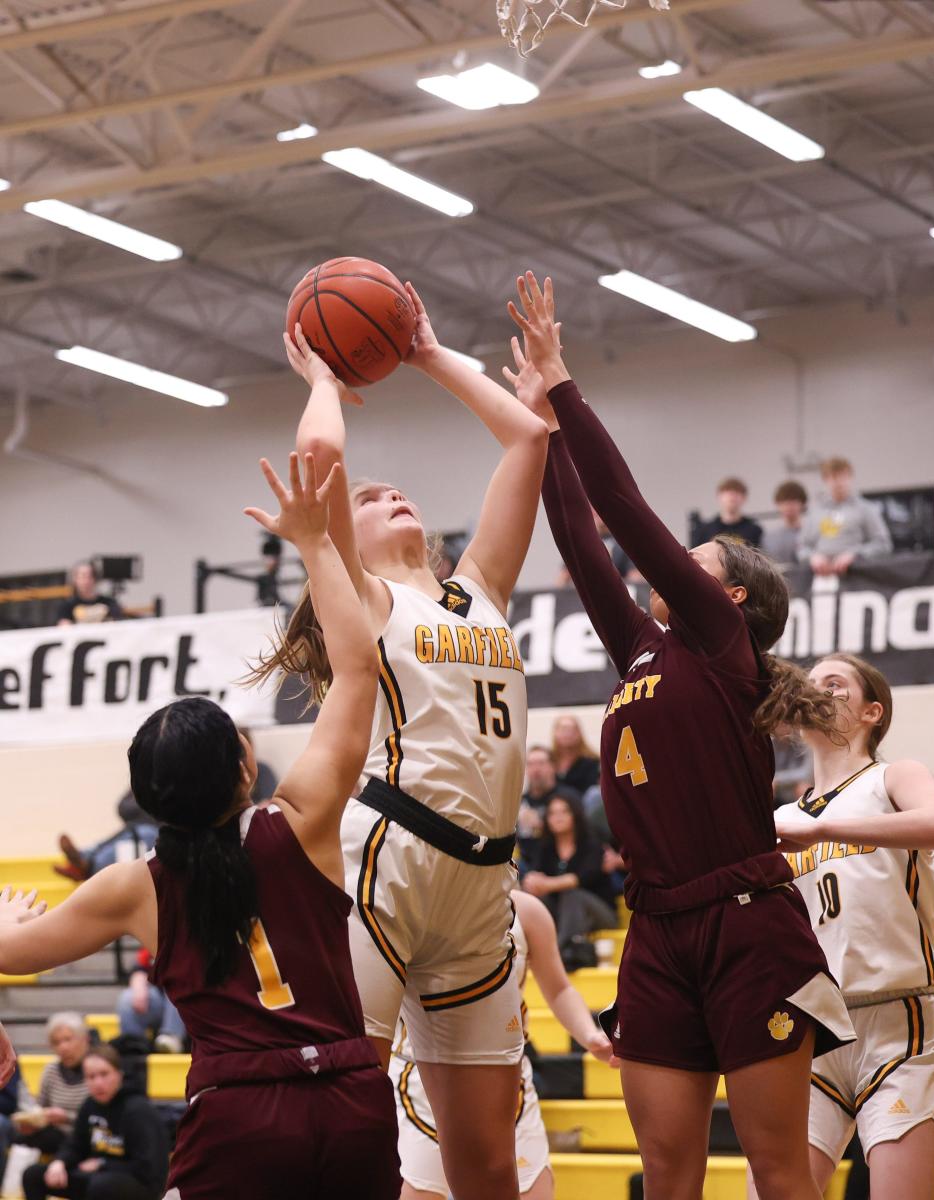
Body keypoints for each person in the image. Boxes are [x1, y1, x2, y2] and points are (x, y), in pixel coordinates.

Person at [504, 272, 855, 1200]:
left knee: (781, 1173)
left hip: (748, 926)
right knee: (667, 1176)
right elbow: (583, 539)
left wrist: (563, 381)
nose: (685, 552)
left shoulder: (721, 641)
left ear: (730, 593)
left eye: (702, 557)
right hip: (656, 928)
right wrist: (536, 431)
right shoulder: (646, 649)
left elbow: (624, 512)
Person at [0, 453, 401, 1200]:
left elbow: (11, 955)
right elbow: (357, 669)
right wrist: (314, 542)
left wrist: (5, 916)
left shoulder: (134, 888)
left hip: (240, 1116)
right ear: (246, 770)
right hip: (353, 1099)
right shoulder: (304, 819)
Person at [259, 284, 548, 1200]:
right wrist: (324, 373)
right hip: (389, 859)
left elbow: (529, 438)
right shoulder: (367, 596)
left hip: (483, 885)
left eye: (398, 489)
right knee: (340, 1124)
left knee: (486, 1166)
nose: (390, 495)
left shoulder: (479, 591)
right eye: (372, 497)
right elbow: (319, 455)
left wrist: (425, 352)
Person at [771, 653, 934, 1200]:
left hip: (900, 1020)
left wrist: (822, 826)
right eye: (812, 684)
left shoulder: (893, 777)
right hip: (814, 1030)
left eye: (835, 683)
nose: (819, 691)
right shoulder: (783, 817)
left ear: (872, 711)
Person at [389, 889, 615, 1200]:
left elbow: (560, 988)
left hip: (508, 1083)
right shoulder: (405, 903)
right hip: (419, 1083)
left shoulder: (528, 911)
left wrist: (589, 1035)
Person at [22, 1046, 168, 1200]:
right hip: (98, 1177)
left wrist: (103, 1164)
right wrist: (60, 1162)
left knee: (101, 1185)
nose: (98, 1082)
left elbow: (148, 1168)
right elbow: (76, 1145)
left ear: (119, 1074)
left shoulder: (138, 1109)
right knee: (34, 1175)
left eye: (104, 1074)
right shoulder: (89, 1105)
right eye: (91, 1077)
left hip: (140, 1184)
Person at [523, 794, 618, 966]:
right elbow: (534, 876)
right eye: (552, 813)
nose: (558, 817)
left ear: (575, 814)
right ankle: (524, 952)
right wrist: (532, 882)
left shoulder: (591, 845)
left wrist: (546, 884)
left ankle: (559, 954)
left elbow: (582, 878)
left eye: (564, 812)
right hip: (562, 915)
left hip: (601, 914)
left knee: (572, 895)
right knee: (532, 901)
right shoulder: (546, 847)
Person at [12, 1014, 90, 1160]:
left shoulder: (95, 1069)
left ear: (85, 1039)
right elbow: (39, 1108)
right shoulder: (51, 1070)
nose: (63, 1047)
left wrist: (66, 1117)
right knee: (19, 1136)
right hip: (55, 1133)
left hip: (86, 1133)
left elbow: (101, 1114)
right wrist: (32, 1122)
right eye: (56, 1042)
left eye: (68, 1039)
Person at [798, 458, 892, 575]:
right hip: (821, 578)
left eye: (842, 476)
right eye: (833, 477)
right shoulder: (814, 511)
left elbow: (883, 544)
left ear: (850, 477)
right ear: (825, 480)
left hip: (858, 576)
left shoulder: (866, 508)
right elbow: (802, 548)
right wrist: (813, 557)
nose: (838, 482)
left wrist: (854, 554)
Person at [56, 796, 158, 883]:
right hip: (144, 826)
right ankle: (83, 862)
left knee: (141, 835)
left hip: (154, 832)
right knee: (128, 835)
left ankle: (85, 865)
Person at [517, 746, 580, 862]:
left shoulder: (568, 797)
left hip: (558, 863)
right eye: (530, 764)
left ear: (553, 767)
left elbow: (581, 835)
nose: (536, 769)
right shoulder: (518, 802)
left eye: (541, 763)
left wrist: (541, 825)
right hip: (523, 864)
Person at [690, 477, 763, 549]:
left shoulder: (754, 530)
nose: (732, 495)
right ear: (719, 496)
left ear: (744, 498)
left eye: (737, 492)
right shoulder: (705, 530)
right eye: (727, 491)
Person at [55, 563, 123, 626]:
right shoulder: (66, 605)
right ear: (75, 580)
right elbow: (64, 627)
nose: (86, 581)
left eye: (90, 577)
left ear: (95, 579)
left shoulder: (109, 603)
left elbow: (117, 624)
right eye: (82, 577)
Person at [550, 714, 600, 796]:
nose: (567, 733)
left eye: (572, 730)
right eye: (563, 729)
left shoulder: (591, 761)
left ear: (579, 734)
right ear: (555, 733)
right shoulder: (549, 760)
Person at [765, 481, 808, 565]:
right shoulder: (768, 538)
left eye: (794, 500)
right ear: (777, 504)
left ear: (803, 503)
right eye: (785, 501)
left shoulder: (813, 535)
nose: (789, 506)